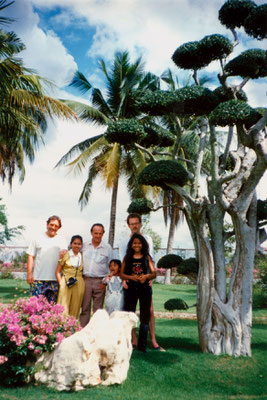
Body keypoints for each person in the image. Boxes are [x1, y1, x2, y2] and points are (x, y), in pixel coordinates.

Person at [119, 213, 165, 351]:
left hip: (145, 281)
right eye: (131, 223)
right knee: (130, 312)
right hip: (130, 281)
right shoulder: (122, 241)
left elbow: (150, 259)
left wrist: (149, 277)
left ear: (140, 224)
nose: (134, 225)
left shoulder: (148, 239)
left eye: (136, 223)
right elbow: (123, 262)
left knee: (149, 310)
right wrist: (125, 279)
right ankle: (133, 340)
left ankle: (153, 340)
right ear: (128, 225)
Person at [120, 233, 156, 352]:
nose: (137, 245)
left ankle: (142, 346)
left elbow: (154, 273)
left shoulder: (147, 257)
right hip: (131, 289)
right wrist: (131, 278)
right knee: (129, 315)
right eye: (135, 243)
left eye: (139, 243)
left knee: (145, 317)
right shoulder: (127, 257)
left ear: (143, 244)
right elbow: (121, 274)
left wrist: (146, 276)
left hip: (145, 289)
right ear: (131, 244)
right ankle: (128, 343)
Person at [27, 215, 67, 303]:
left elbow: (64, 259)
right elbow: (31, 256)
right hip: (38, 279)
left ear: (59, 228)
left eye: (56, 226)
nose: (53, 227)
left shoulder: (62, 240)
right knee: (34, 307)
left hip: (54, 280)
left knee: (52, 310)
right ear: (47, 224)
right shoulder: (36, 238)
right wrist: (29, 273)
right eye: (51, 225)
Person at [79, 223, 113, 327]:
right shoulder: (84, 246)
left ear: (103, 234)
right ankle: (83, 332)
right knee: (85, 308)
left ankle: (95, 334)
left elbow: (112, 267)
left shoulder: (107, 248)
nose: (98, 236)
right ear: (91, 233)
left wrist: (105, 282)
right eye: (95, 233)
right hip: (86, 281)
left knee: (97, 311)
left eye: (100, 233)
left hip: (100, 282)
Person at [56, 235, 85, 319]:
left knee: (76, 306)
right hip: (66, 282)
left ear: (81, 245)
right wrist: (61, 283)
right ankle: (60, 327)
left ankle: (72, 327)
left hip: (79, 283)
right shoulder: (65, 255)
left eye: (79, 244)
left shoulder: (82, 256)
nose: (77, 245)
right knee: (63, 306)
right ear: (71, 244)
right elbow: (57, 271)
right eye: (75, 243)